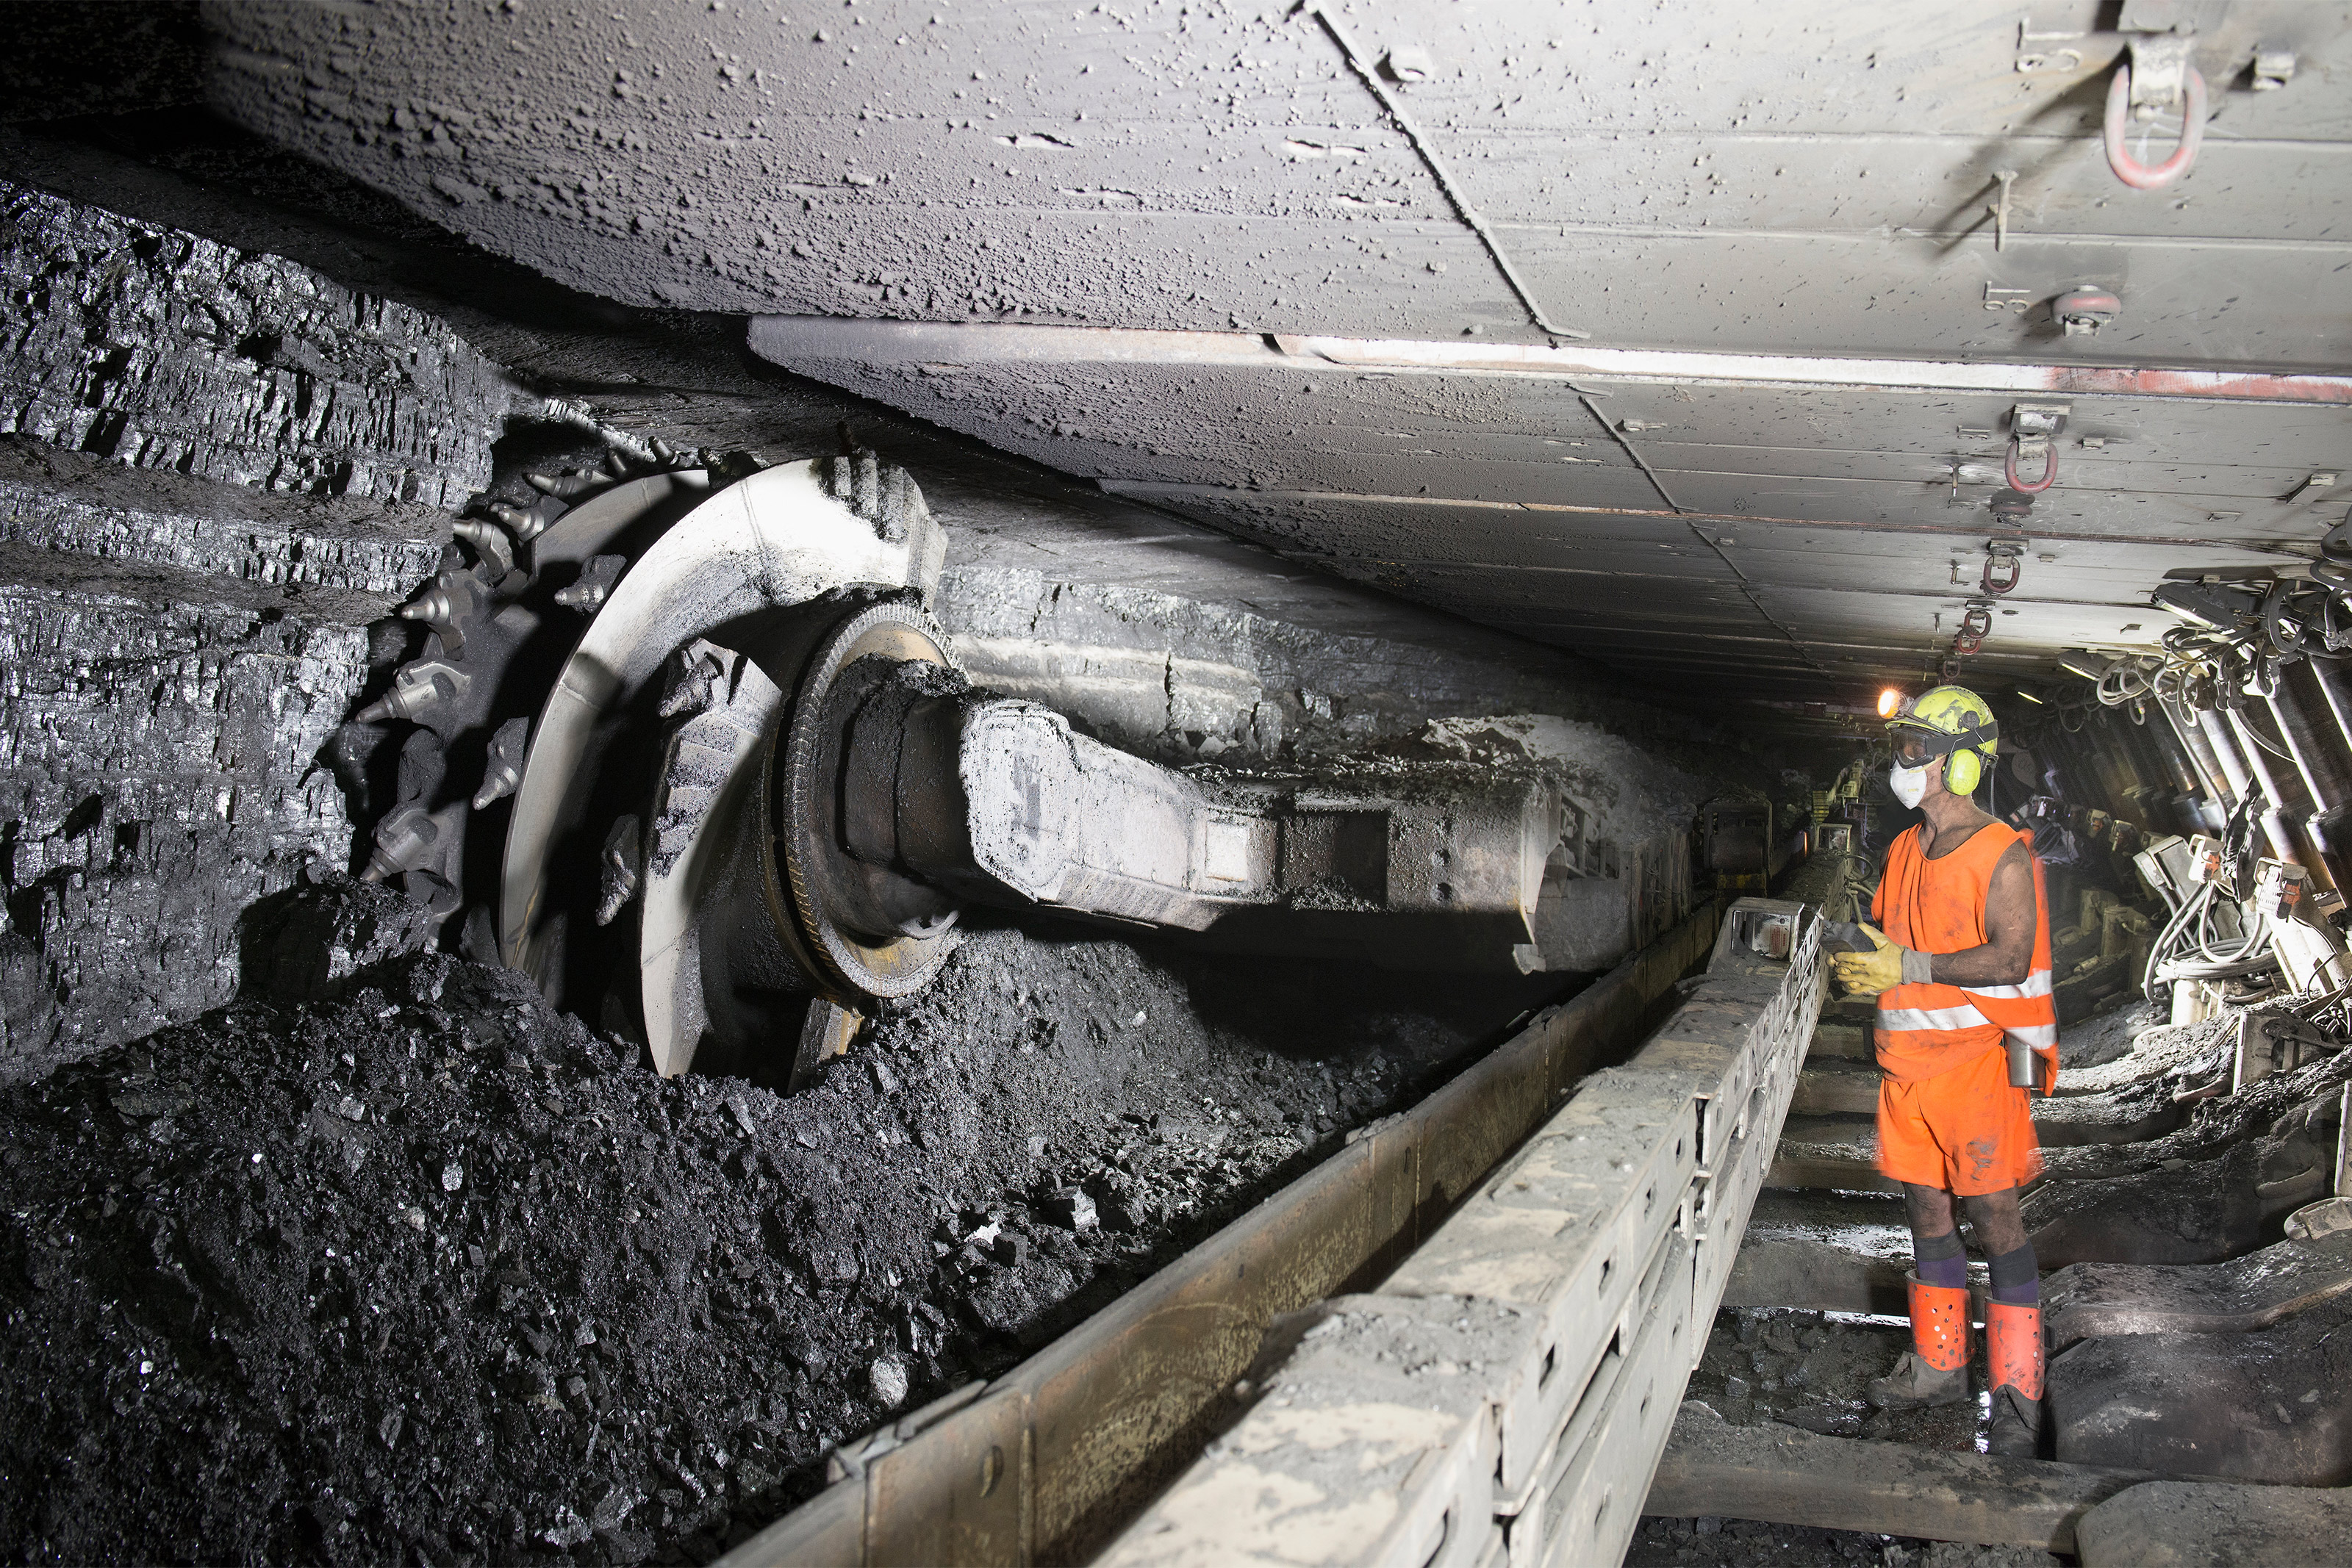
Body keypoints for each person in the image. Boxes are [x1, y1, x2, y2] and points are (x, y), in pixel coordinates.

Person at [1829, 686, 2059, 1457]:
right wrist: (1848, 952)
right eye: (1900, 747)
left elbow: (2009, 956)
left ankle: (2018, 1384)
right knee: (1925, 1213)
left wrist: (1909, 962)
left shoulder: (2002, 855)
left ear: (1961, 763)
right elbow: (1891, 941)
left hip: (1972, 1071)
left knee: (1993, 1219)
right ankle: (1938, 1364)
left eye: (1916, 749)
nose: (1904, 763)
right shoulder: (1902, 849)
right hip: (1906, 1068)